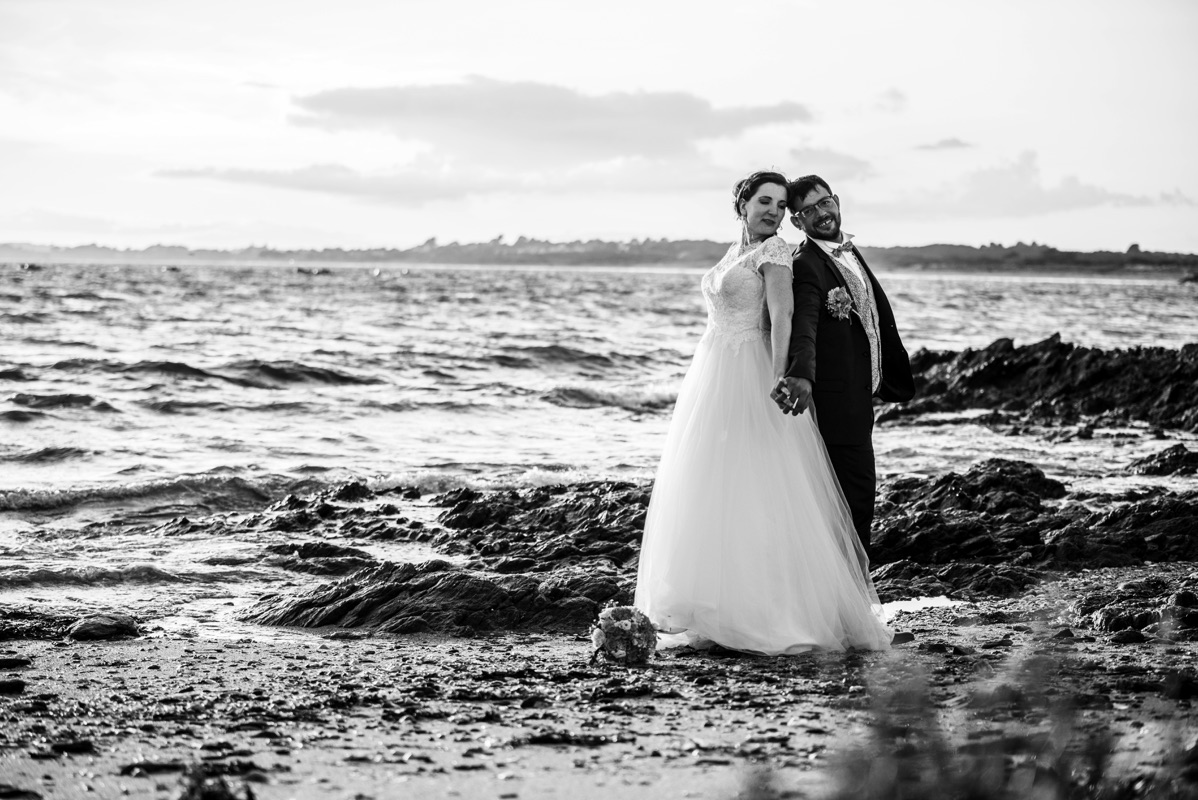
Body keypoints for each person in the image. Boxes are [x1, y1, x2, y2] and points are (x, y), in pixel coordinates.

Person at [633, 171, 891, 655]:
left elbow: (784, 316)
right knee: (716, 487)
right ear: (743, 205)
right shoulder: (735, 252)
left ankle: (769, 610)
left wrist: (779, 375)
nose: (773, 212)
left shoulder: (775, 252)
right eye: (764, 202)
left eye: (779, 205)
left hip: (750, 371)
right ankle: (714, 604)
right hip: (714, 376)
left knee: (761, 488)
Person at [772, 175, 915, 557]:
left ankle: (849, 586)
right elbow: (804, 324)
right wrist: (801, 373)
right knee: (854, 503)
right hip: (837, 406)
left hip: (859, 398)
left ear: (836, 201)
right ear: (796, 222)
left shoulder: (848, 250)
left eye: (824, 203)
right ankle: (853, 590)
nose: (820, 213)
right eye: (807, 211)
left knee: (852, 502)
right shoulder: (807, 264)